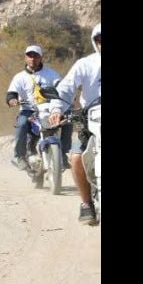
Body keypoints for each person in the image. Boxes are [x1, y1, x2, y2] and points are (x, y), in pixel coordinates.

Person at [49, 24, 101, 225]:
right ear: (95, 42)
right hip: (90, 119)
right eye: (99, 40)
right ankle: (86, 203)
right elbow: (66, 88)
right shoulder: (85, 64)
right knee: (77, 157)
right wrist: (56, 110)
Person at [6, 44, 72, 171]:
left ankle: (63, 154)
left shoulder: (51, 74)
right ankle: (19, 156)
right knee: (21, 123)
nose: (32, 59)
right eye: (29, 56)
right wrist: (12, 100)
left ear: (41, 57)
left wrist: (68, 95)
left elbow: (62, 86)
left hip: (50, 108)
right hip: (29, 110)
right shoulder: (19, 77)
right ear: (25, 58)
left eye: (35, 56)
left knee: (68, 119)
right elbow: (11, 93)